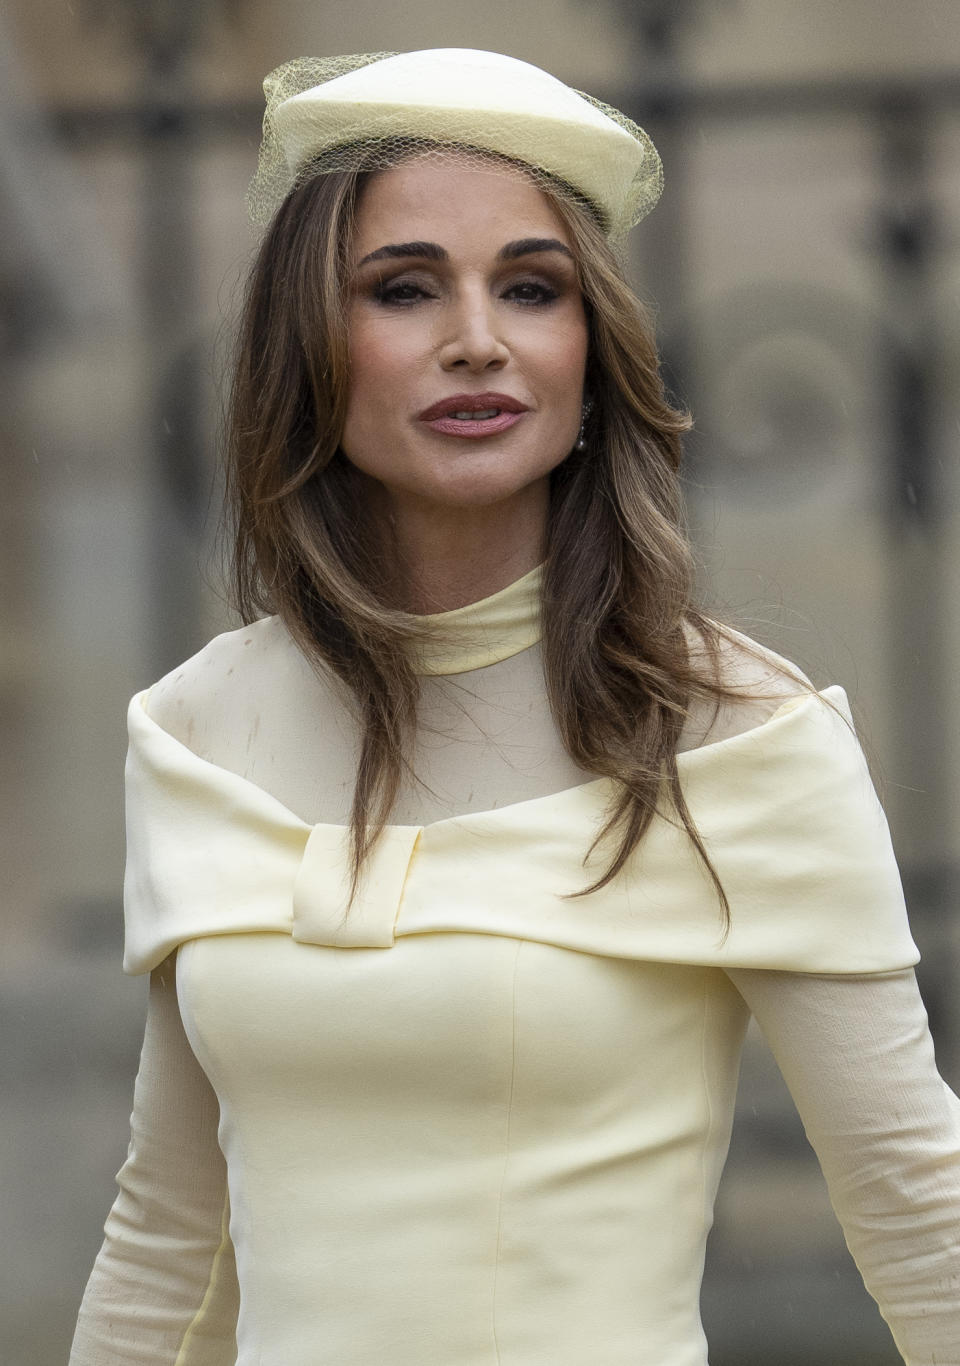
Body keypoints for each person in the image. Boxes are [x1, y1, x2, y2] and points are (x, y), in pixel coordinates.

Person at [69, 48, 960, 1366]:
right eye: (404, 287)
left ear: (590, 354)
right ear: (310, 347)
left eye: (531, 289)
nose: (476, 337)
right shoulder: (203, 726)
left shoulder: (740, 736)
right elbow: (167, 1242)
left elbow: (918, 1210)